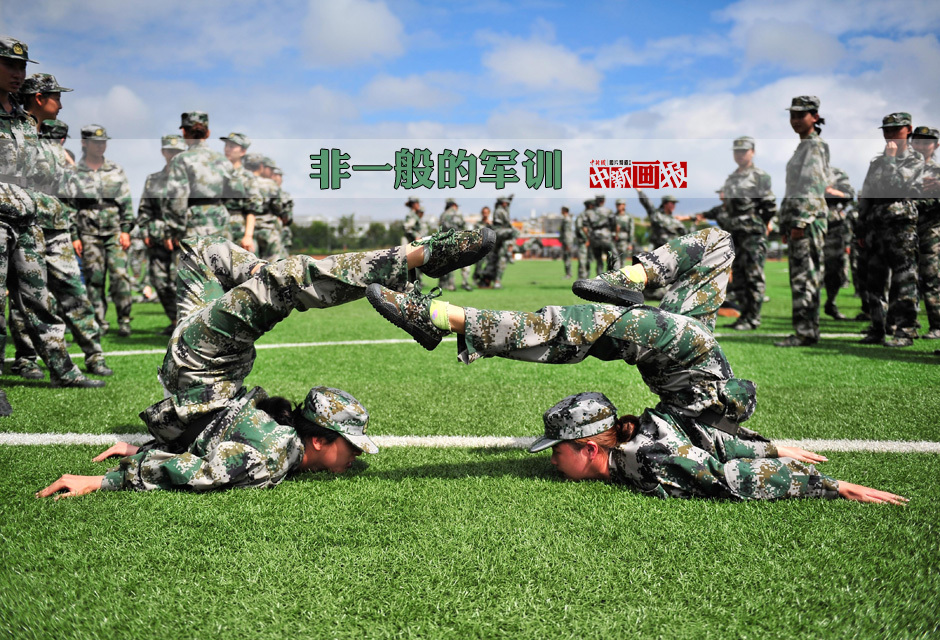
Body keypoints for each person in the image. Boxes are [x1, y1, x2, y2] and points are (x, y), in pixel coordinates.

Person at [367, 229, 906, 504]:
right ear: (590, 449)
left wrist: (763, 445)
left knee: (587, 322)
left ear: (590, 446)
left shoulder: (636, 457)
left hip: (683, 370)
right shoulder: (646, 462)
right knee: (702, 253)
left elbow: (703, 444)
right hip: (693, 371)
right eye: (557, 452)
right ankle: (443, 316)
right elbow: (726, 474)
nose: (553, 459)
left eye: (557, 450)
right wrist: (826, 484)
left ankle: (444, 318)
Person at [36, 226, 495, 498]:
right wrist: (146, 451)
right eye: (350, 445)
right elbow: (207, 452)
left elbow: (200, 471)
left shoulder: (276, 455)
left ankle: (413, 260)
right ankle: (414, 261)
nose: (353, 456)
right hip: (207, 366)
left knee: (284, 278)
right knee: (212, 250)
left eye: (352, 447)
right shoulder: (279, 447)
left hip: (205, 362)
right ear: (317, 441)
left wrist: (107, 479)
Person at [9, 77, 113, 378]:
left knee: (74, 292)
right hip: (27, 224)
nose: (62, 104)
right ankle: (27, 358)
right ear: (39, 98)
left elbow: (70, 190)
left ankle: (94, 354)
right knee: (25, 299)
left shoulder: (52, 144)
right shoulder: (17, 132)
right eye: (56, 97)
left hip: (56, 227)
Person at [856, 112, 925, 347]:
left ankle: (905, 331)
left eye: (895, 129)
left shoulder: (915, 161)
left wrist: (892, 159)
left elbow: (896, 187)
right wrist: (860, 226)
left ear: (908, 130)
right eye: (886, 130)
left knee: (904, 280)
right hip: (876, 227)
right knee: (874, 280)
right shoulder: (877, 162)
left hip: (901, 228)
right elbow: (867, 195)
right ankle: (878, 328)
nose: (890, 135)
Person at [63, 124, 135, 337]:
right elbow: (70, 206)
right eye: (96, 142)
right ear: (84, 143)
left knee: (120, 276)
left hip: (114, 231)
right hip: (87, 233)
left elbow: (126, 201)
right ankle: (100, 322)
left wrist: (126, 229)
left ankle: (124, 320)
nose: (100, 146)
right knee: (94, 278)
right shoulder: (74, 171)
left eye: (103, 142)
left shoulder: (115, 169)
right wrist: (75, 235)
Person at [775, 96, 831, 347]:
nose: (796, 120)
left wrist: (800, 221)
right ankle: (804, 329)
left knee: (805, 277)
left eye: (801, 115)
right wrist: (788, 223)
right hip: (801, 221)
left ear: (815, 117)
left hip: (807, 221)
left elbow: (812, 185)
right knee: (801, 276)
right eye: (793, 115)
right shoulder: (804, 146)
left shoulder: (814, 146)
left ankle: (806, 331)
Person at [712, 136, 777, 331]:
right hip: (734, 234)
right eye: (736, 151)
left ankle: (753, 318)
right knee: (738, 276)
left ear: (752, 152)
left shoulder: (759, 176)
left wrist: (760, 223)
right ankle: (743, 316)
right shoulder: (731, 178)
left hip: (752, 234)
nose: (740, 154)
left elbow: (770, 204)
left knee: (753, 276)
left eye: (744, 150)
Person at [164, 111, 244, 247]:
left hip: (193, 223)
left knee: (195, 267)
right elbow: (238, 193)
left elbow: (177, 199)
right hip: (221, 221)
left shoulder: (181, 159)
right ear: (208, 133)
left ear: (184, 133)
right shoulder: (222, 160)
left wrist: (174, 231)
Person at [138, 134, 187, 334]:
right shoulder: (153, 180)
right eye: (170, 151)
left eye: (178, 151)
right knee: (159, 280)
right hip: (157, 240)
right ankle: (174, 319)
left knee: (181, 281)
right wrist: (145, 230)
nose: (174, 155)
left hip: (181, 240)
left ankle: (186, 322)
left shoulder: (189, 181)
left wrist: (177, 232)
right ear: (163, 152)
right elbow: (144, 210)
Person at [910, 126, 940, 339]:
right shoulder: (904, 168)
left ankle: (937, 325)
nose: (921, 146)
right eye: (917, 141)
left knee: (930, 278)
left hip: (931, 230)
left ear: (936, 145)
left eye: (926, 142)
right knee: (905, 278)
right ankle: (906, 323)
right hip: (905, 229)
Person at [219, 131, 262, 252]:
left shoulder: (247, 177)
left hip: (238, 228)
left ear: (243, 151)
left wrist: (248, 236)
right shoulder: (216, 172)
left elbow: (252, 208)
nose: (227, 149)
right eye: (226, 145)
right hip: (217, 226)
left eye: (232, 146)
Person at [822, 167, 856, 320]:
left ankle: (831, 302)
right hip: (810, 224)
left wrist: (836, 193)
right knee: (808, 271)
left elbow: (850, 195)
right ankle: (807, 312)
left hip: (834, 229)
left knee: (835, 270)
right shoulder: (804, 170)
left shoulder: (837, 173)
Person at [437, 198, 471, 291]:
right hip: (458, 240)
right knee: (463, 261)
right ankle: (464, 282)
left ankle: (448, 284)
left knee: (448, 263)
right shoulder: (458, 213)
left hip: (446, 241)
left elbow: (440, 229)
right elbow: (464, 226)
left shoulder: (443, 215)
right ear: (454, 205)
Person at [613, 198, 634, 269]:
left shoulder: (628, 217)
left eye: (620, 204)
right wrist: (614, 234)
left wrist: (630, 243)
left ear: (624, 205)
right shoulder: (613, 216)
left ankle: (621, 278)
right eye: (617, 205)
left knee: (622, 263)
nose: (619, 206)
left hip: (624, 242)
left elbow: (631, 230)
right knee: (614, 263)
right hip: (614, 242)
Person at [558, 206, 576, 279]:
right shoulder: (567, 219)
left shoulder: (566, 219)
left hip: (567, 240)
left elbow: (567, 232)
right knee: (566, 257)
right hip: (566, 240)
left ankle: (568, 274)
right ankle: (568, 273)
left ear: (564, 211)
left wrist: (567, 243)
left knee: (567, 257)